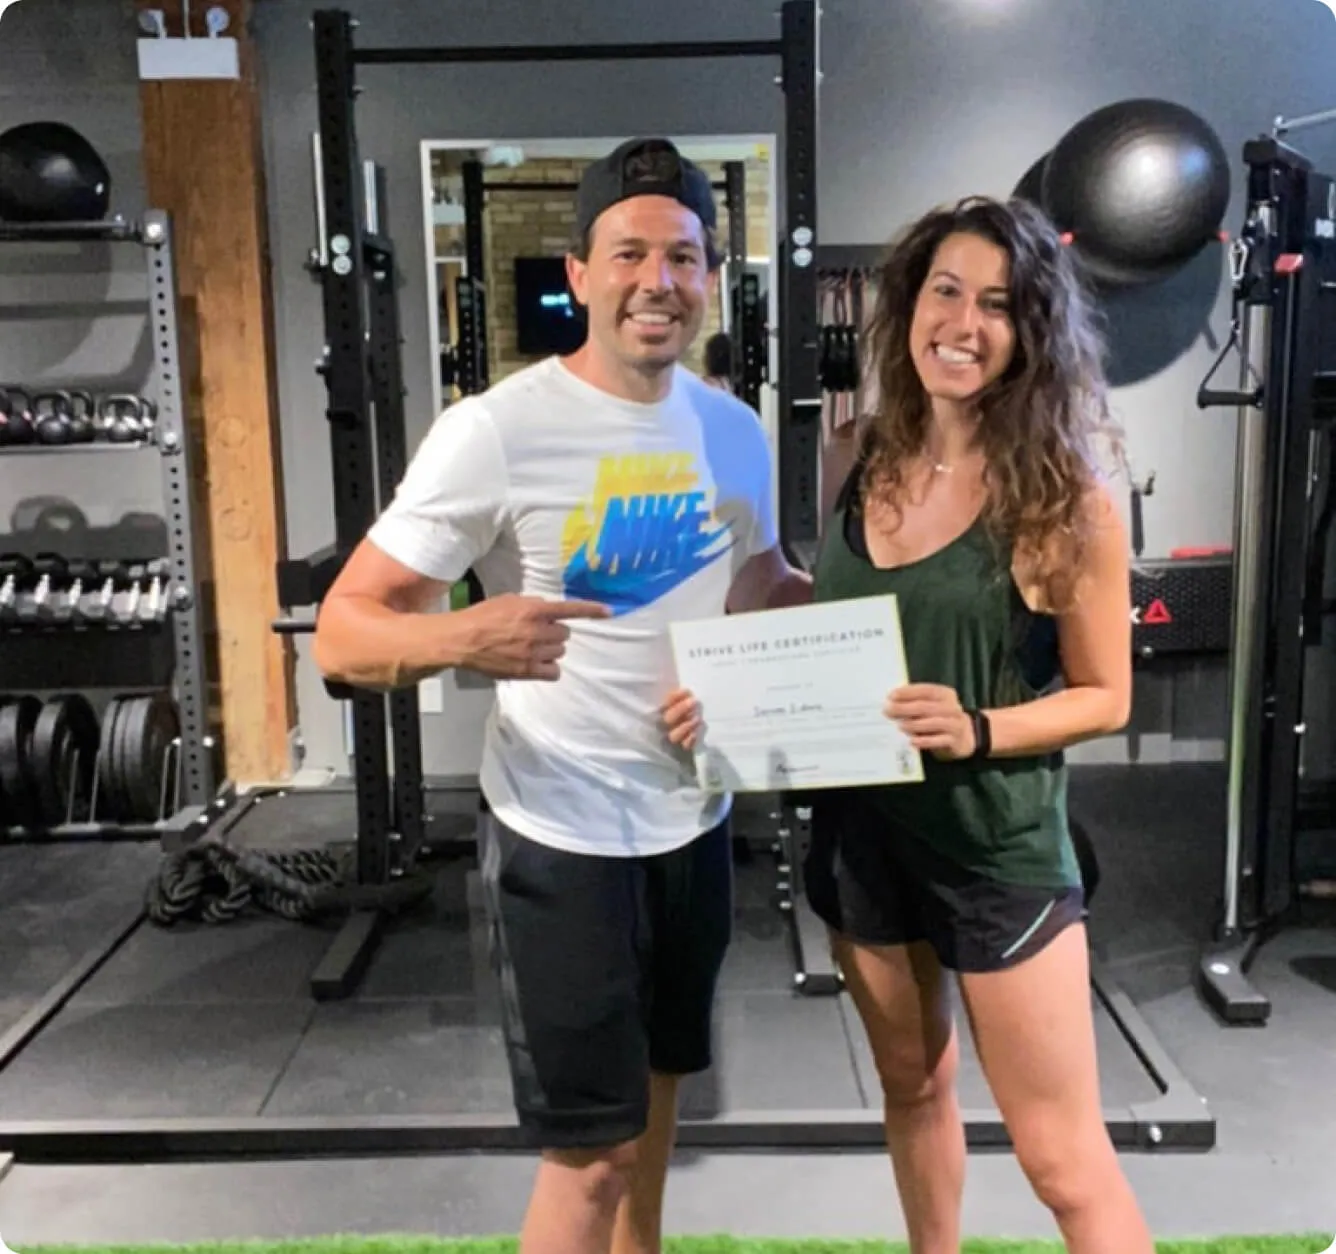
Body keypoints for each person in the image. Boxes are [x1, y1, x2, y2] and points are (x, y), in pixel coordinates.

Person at [312, 136, 810, 1254]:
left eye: (683, 257)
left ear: (708, 277)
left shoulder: (732, 430)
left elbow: (760, 585)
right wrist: (462, 634)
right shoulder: (493, 430)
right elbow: (342, 635)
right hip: (561, 832)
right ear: (579, 275)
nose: (658, 281)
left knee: (658, 1107)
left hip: (695, 816)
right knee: (586, 1160)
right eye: (628, 253)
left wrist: (862, 617)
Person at [663, 195, 1152, 1254]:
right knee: (911, 1085)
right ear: (908, 303)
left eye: (996, 304)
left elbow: (1103, 697)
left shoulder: (1064, 495)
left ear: (1031, 332)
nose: (962, 324)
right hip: (860, 833)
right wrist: (736, 669)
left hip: (996, 850)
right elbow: (830, 610)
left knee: (1062, 1161)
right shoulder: (856, 454)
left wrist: (975, 727)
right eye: (944, 291)